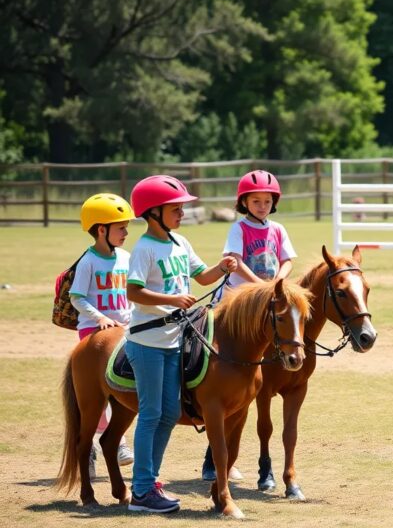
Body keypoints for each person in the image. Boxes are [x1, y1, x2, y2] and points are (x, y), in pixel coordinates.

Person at [125, 175, 237, 513]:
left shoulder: (180, 242)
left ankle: (150, 482)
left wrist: (223, 267)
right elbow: (133, 292)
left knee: (171, 412)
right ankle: (142, 491)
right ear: (153, 212)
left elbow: (202, 277)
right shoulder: (143, 248)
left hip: (174, 340)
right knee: (151, 414)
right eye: (176, 208)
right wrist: (172, 299)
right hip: (147, 342)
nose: (182, 213)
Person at [201, 169, 296, 482]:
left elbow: (287, 260)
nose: (262, 205)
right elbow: (235, 260)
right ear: (244, 202)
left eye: (267, 201)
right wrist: (260, 285)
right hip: (238, 303)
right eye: (255, 201)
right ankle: (213, 458)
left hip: (268, 301)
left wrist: (279, 282)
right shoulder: (239, 228)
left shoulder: (278, 229)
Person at [71, 193, 136, 478]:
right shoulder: (88, 261)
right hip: (94, 331)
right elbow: (77, 297)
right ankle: (116, 442)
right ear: (101, 230)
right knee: (98, 392)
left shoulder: (126, 257)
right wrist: (100, 317)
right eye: (120, 227)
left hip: (126, 329)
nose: (125, 232)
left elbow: (131, 292)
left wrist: (134, 315)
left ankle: (112, 437)